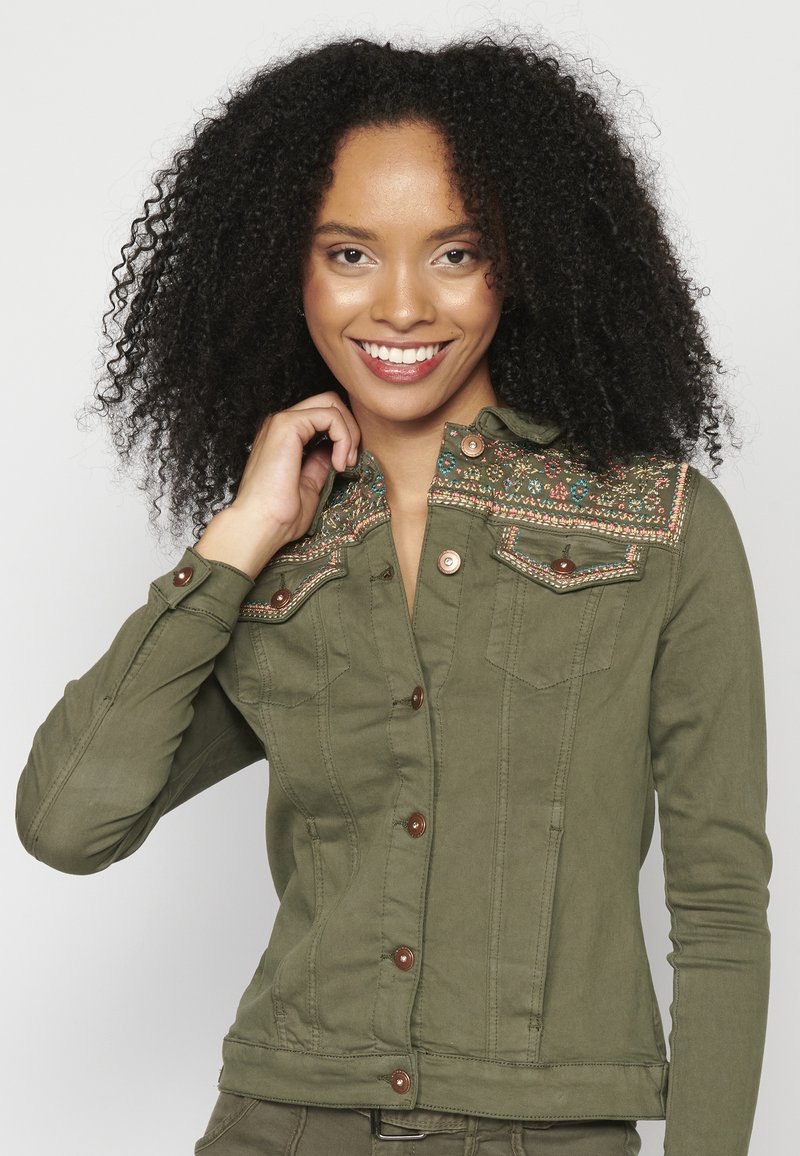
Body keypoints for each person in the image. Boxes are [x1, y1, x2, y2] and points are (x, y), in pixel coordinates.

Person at [15, 33, 771, 1156]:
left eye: (456, 253)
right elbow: (68, 824)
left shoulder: (660, 525)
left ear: (521, 262)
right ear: (287, 268)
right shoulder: (279, 547)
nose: (403, 305)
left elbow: (719, 909)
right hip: (279, 1121)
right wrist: (236, 539)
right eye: (350, 253)